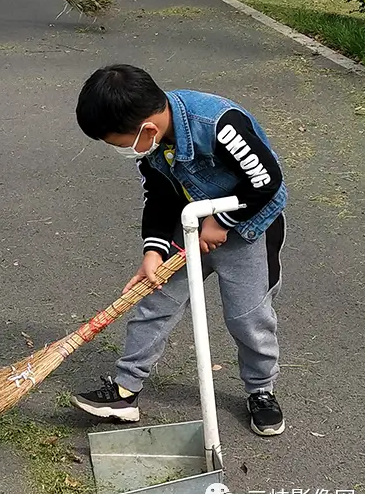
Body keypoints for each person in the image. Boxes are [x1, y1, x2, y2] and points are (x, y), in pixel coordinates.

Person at [72, 65, 287, 437]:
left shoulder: (219, 124)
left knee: (247, 317)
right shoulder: (152, 143)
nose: (121, 151)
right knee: (154, 303)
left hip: (250, 227)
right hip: (189, 225)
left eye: (119, 144)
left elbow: (266, 180)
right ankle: (125, 391)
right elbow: (159, 195)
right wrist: (153, 250)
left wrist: (220, 220)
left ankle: (261, 390)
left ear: (147, 129)